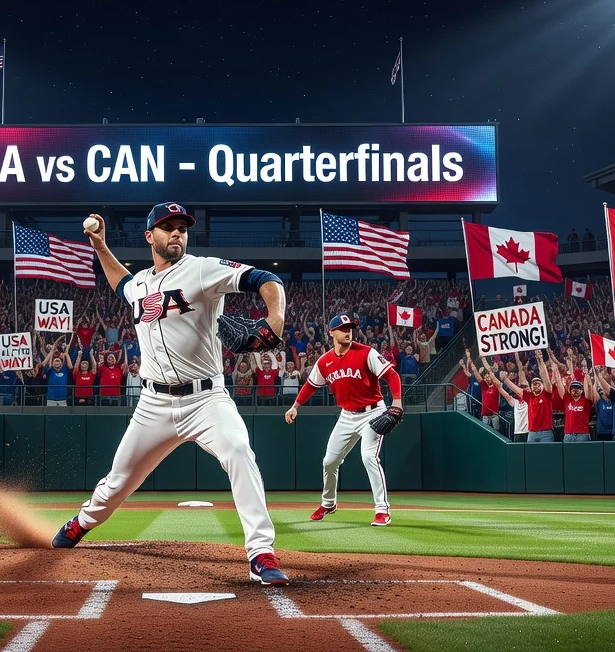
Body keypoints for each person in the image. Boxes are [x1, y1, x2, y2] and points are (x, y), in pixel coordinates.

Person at [52, 204, 290, 587]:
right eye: (167, 227)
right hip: (153, 405)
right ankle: (82, 522)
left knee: (238, 451)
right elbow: (120, 283)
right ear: (150, 237)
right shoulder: (140, 284)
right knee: (117, 482)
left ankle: (261, 553)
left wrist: (275, 317)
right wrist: (99, 246)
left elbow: (265, 279)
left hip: (206, 400)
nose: (177, 233)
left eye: (181, 227)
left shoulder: (202, 269)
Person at [286, 313, 402, 526]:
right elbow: (310, 385)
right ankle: (328, 503)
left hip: (373, 413)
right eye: (343, 328)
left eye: (350, 328)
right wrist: (295, 406)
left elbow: (392, 376)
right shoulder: (325, 361)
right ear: (331, 332)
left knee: (368, 457)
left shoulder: (366, 353)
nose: (348, 332)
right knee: (329, 462)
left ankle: (382, 510)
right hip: (347, 416)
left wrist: (397, 402)